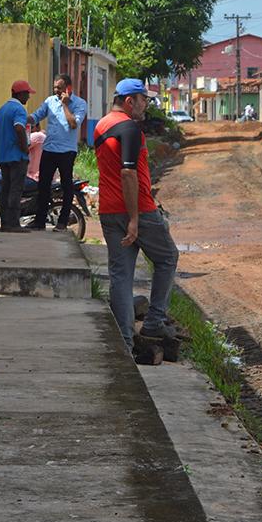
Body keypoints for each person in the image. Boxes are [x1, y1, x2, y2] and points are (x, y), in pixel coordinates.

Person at [94, 78, 180, 352]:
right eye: (144, 99)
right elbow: (128, 172)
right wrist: (133, 219)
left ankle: (124, 341)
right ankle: (154, 321)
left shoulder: (100, 126)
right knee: (167, 257)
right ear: (130, 101)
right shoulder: (129, 128)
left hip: (108, 211)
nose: (146, 105)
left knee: (121, 276)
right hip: (138, 210)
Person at [28, 73, 87, 231]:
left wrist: (65, 105)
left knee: (67, 185)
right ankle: (40, 220)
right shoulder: (50, 101)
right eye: (54, 88)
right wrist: (24, 118)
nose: (56, 91)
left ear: (68, 88)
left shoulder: (80, 104)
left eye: (59, 88)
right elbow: (37, 115)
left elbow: (74, 124)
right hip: (49, 149)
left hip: (67, 151)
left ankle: (62, 222)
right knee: (43, 185)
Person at [0, 80, 36, 232]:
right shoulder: (19, 109)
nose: (28, 97)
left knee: (5, 189)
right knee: (16, 190)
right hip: (16, 156)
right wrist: (24, 148)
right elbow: (19, 127)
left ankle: (5, 223)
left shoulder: (2, 109)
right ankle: (14, 224)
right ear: (20, 94)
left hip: (3, 156)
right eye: (27, 94)